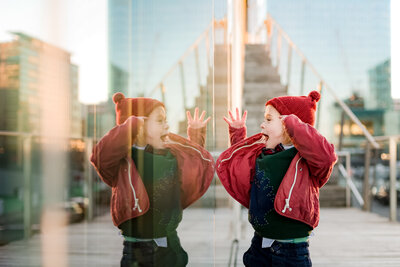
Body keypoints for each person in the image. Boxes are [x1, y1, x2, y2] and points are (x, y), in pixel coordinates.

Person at [90, 92, 214, 267]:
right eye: (160, 120)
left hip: (171, 245)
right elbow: (101, 157)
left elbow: (192, 166)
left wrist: (196, 135)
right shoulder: (123, 163)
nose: (167, 125)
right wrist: (131, 125)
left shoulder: (170, 155)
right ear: (139, 125)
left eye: (166, 120)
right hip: (139, 251)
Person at [216, 91, 337, 266]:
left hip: (291, 251)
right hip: (259, 244)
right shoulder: (264, 153)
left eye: (269, 120)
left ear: (289, 125)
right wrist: (237, 134)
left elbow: (326, 158)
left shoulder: (306, 161)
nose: (262, 125)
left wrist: (293, 124)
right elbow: (242, 165)